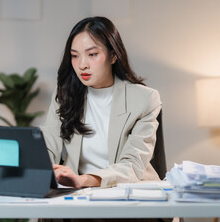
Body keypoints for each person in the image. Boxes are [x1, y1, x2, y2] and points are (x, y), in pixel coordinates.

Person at [41, 16, 162, 189]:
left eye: (92, 54)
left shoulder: (144, 99)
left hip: (129, 191)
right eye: (75, 56)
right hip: (81, 194)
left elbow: (132, 165)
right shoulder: (64, 95)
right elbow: (49, 144)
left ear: (113, 56)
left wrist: (83, 180)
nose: (82, 65)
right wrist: (46, 168)